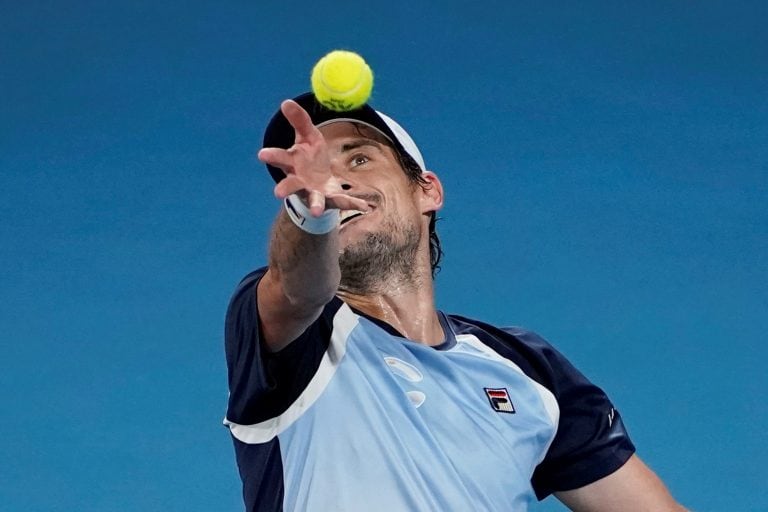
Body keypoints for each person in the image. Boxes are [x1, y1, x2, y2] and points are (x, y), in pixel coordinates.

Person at [223, 92, 686, 511]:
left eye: (359, 159)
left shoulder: (528, 370)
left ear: (427, 190)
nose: (334, 181)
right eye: (314, 171)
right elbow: (297, 286)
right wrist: (310, 211)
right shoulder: (295, 338)